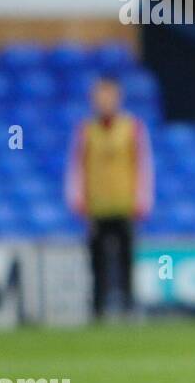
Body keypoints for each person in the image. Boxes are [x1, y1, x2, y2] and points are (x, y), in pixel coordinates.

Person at [64, 75, 154, 319]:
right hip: (96, 206)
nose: (104, 101)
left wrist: (142, 199)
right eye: (100, 96)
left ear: (118, 97)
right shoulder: (85, 130)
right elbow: (76, 166)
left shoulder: (133, 128)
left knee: (126, 258)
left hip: (125, 204)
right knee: (97, 260)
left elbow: (143, 164)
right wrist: (76, 198)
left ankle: (127, 305)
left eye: (108, 95)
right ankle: (98, 308)